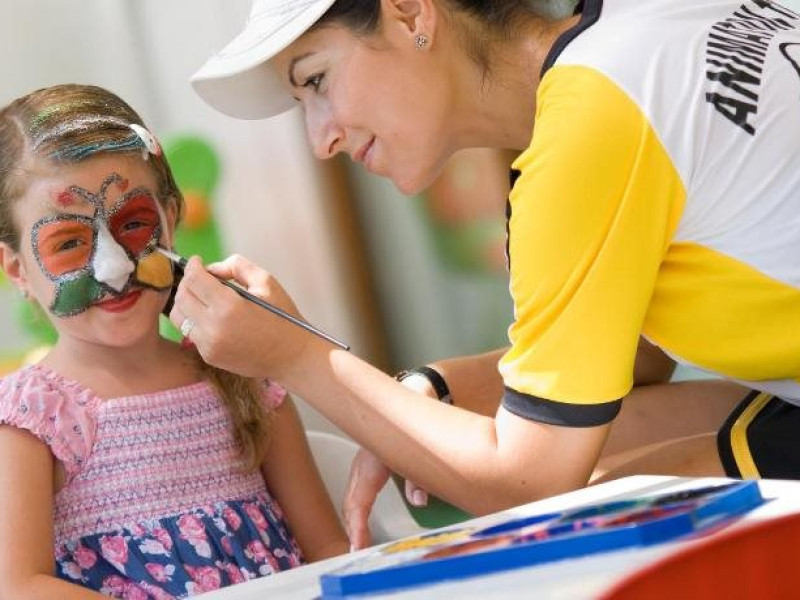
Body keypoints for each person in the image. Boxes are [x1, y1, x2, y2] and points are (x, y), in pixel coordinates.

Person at [181, 0, 800, 549]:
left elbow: (527, 482)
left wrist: (295, 356)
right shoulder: (645, 28)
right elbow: (638, 353)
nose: (321, 139)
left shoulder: (583, 139)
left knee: (575, 533)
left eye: (316, 79)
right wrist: (439, 386)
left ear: (409, 12)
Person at [0, 84, 348, 599]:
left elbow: (329, 550)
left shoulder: (244, 372)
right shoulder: (31, 417)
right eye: (69, 242)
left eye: (134, 224)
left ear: (171, 217)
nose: (114, 267)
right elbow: (19, 586)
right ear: (15, 269)